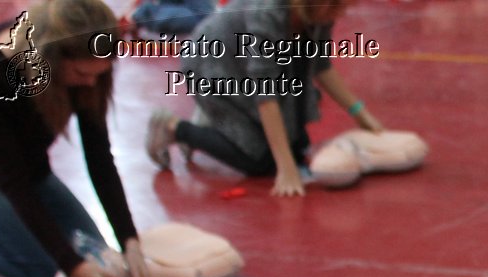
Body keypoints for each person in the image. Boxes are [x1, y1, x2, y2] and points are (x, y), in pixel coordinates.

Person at [0, 0, 147, 277]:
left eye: (99, 74)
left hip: (30, 168)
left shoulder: (91, 63)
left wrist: (129, 239)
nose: (91, 82)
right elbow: (11, 181)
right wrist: (70, 265)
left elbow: (99, 156)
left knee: (102, 267)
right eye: (81, 73)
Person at [144, 0, 386, 197]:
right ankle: (175, 128)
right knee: (259, 161)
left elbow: (321, 65)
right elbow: (264, 92)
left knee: (296, 146)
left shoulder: (320, 12)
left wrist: (360, 113)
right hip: (212, 64)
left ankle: (214, 126)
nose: (341, 13)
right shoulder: (268, 10)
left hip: (247, 67)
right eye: (337, 6)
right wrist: (286, 167)